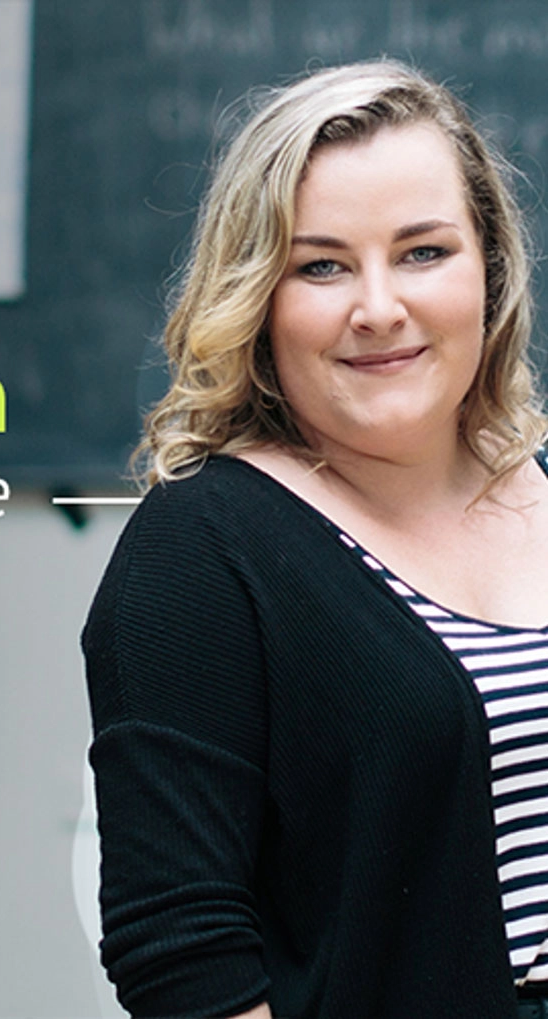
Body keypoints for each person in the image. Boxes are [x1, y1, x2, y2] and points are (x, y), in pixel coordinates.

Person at [82, 59, 548, 1019]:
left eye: (423, 251)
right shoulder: (197, 552)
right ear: (259, 297)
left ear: (489, 268)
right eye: (321, 265)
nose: (378, 307)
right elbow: (181, 950)